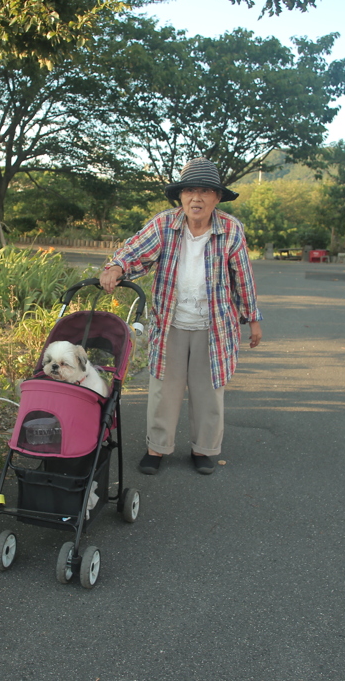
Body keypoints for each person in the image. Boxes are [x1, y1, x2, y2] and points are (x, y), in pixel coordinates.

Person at [99, 157, 262, 476]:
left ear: (217, 197)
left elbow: (242, 276)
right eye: (189, 191)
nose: (196, 198)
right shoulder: (164, 224)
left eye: (204, 191)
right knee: (164, 389)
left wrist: (252, 317)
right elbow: (135, 251)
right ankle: (156, 448)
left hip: (213, 327)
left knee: (208, 391)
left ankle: (204, 449)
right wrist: (116, 266)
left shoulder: (230, 229)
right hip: (170, 324)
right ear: (181, 196)